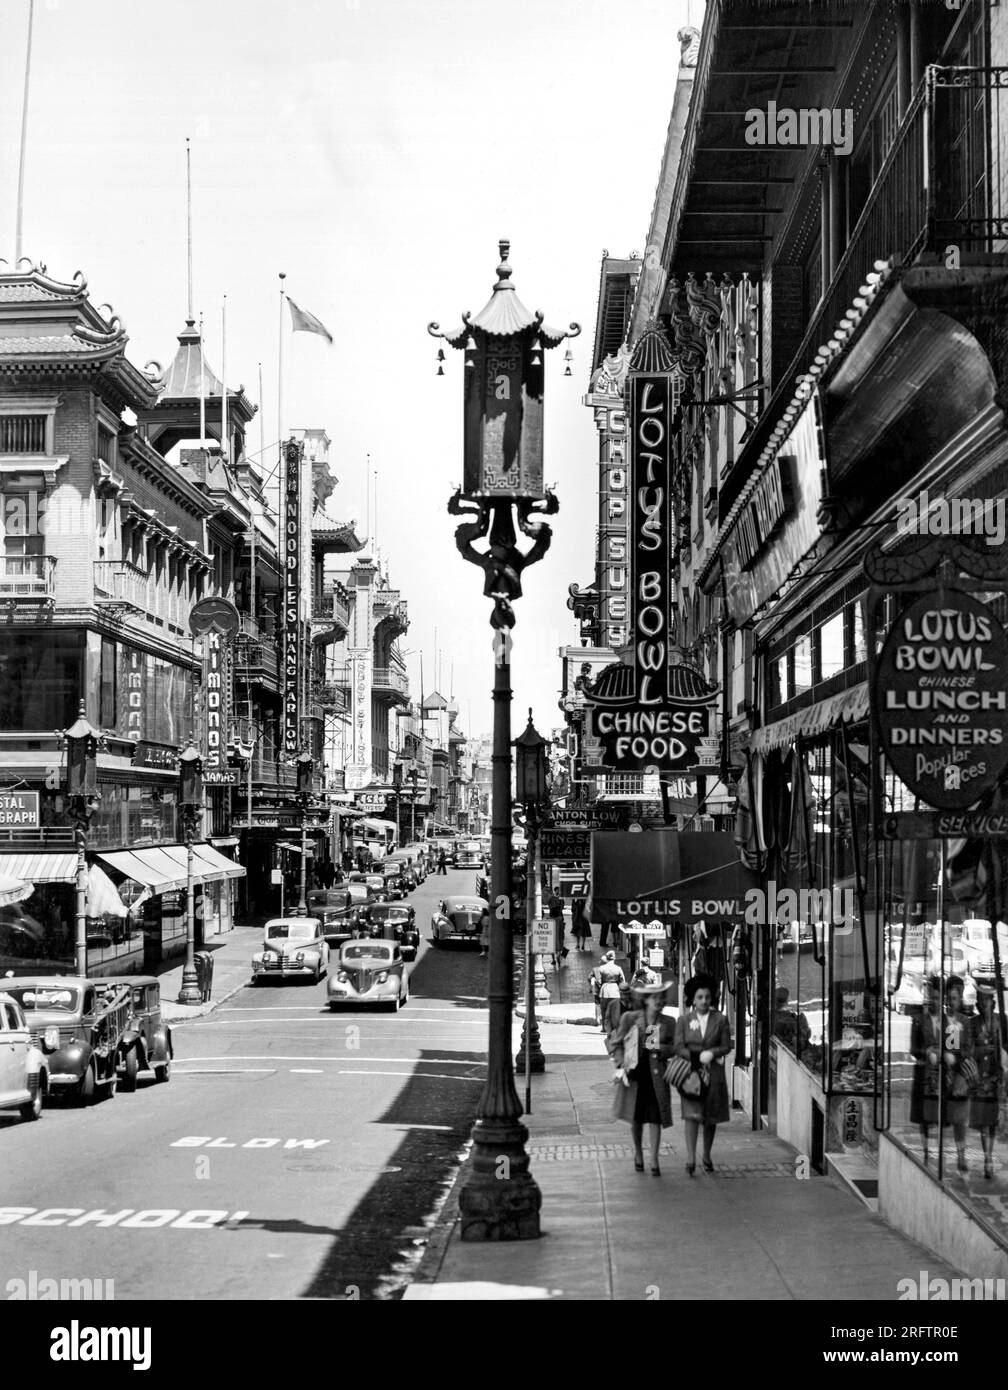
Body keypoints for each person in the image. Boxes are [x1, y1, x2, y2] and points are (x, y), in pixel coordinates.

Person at [608, 980, 676, 1175]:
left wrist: (660, 1048)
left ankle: (654, 1159)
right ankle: (638, 1153)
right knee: (636, 1118)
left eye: (662, 998)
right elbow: (616, 1044)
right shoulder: (630, 1018)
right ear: (646, 1000)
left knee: (655, 1117)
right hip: (635, 1075)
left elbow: (676, 1047)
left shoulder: (668, 1022)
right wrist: (620, 1063)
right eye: (656, 998)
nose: (659, 1001)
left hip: (657, 1076)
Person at [673, 972, 732, 1175]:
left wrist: (712, 1053)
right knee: (691, 1115)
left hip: (714, 1074)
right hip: (691, 1073)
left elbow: (726, 1046)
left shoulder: (721, 1020)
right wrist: (695, 1056)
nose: (704, 1001)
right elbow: (678, 1046)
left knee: (710, 1116)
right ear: (693, 999)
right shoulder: (683, 1020)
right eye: (699, 997)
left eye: (707, 997)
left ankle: (706, 1154)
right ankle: (691, 1157)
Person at [969, 975, 1004, 1180]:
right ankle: (987, 1157)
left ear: (992, 1001)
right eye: (981, 1000)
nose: (984, 1003)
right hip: (979, 1079)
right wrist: (982, 1049)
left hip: (995, 1077)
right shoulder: (973, 1023)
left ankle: (989, 1155)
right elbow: (966, 1050)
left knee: (992, 1120)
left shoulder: (1002, 1021)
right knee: (983, 1120)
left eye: (987, 999)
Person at [943, 974, 975, 1175]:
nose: (952, 1002)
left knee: (959, 1119)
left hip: (959, 1075)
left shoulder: (964, 1021)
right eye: (950, 998)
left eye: (955, 997)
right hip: (944, 1073)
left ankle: (961, 1155)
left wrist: (957, 1056)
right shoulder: (942, 1020)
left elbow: (969, 1047)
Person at [910, 974, 942, 1165]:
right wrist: (926, 1052)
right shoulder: (918, 1020)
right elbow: (913, 1049)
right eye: (930, 997)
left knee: (938, 1113)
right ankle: (925, 1150)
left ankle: (936, 1148)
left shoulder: (949, 1022)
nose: (932, 1001)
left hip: (940, 1074)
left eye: (936, 998)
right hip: (924, 1072)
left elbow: (953, 1050)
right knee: (923, 1116)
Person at [598, 951, 626, 1036]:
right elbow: (622, 981)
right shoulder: (618, 968)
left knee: (604, 1010)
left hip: (604, 990)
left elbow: (599, 981)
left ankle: (604, 1028)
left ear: (607, 958)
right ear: (614, 958)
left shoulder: (602, 968)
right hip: (615, 990)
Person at [547, 888, 567, 965]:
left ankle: (555, 958)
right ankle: (556, 958)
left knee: (554, 943)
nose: (558, 892)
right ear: (555, 891)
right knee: (557, 942)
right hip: (557, 917)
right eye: (557, 890)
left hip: (557, 917)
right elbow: (550, 905)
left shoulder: (560, 899)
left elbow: (561, 906)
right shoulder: (552, 898)